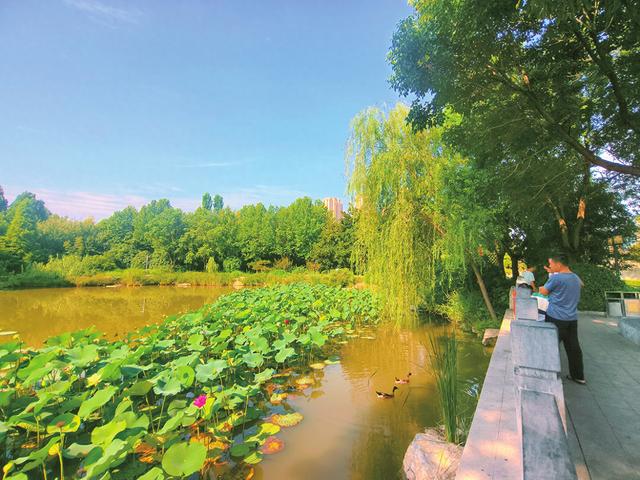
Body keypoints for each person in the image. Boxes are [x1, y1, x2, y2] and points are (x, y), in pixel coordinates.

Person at [538, 254, 585, 384]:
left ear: (558, 264)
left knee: (550, 346)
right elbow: (581, 284)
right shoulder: (574, 277)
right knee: (573, 348)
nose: (550, 266)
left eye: (551, 264)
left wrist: (543, 285)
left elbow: (543, 291)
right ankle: (578, 376)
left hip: (556, 318)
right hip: (571, 318)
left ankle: (548, 374)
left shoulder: (557, 278)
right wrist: (552, 273)